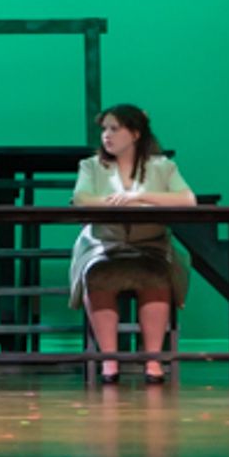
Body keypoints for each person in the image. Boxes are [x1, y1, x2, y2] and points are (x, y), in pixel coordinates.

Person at [70, 104, 194, 384]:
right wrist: (113, 201)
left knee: (156, 274)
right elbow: (82, 199)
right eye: (104, 129)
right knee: (98, 274)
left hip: (150, 246)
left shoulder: (162, 166)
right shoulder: (91, 166)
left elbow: (187, 199)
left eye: (115, 129)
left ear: (135, 134)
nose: (107, 135)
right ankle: (109, 362)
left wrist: (141, 197)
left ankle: (153, 361)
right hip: (104, 245)